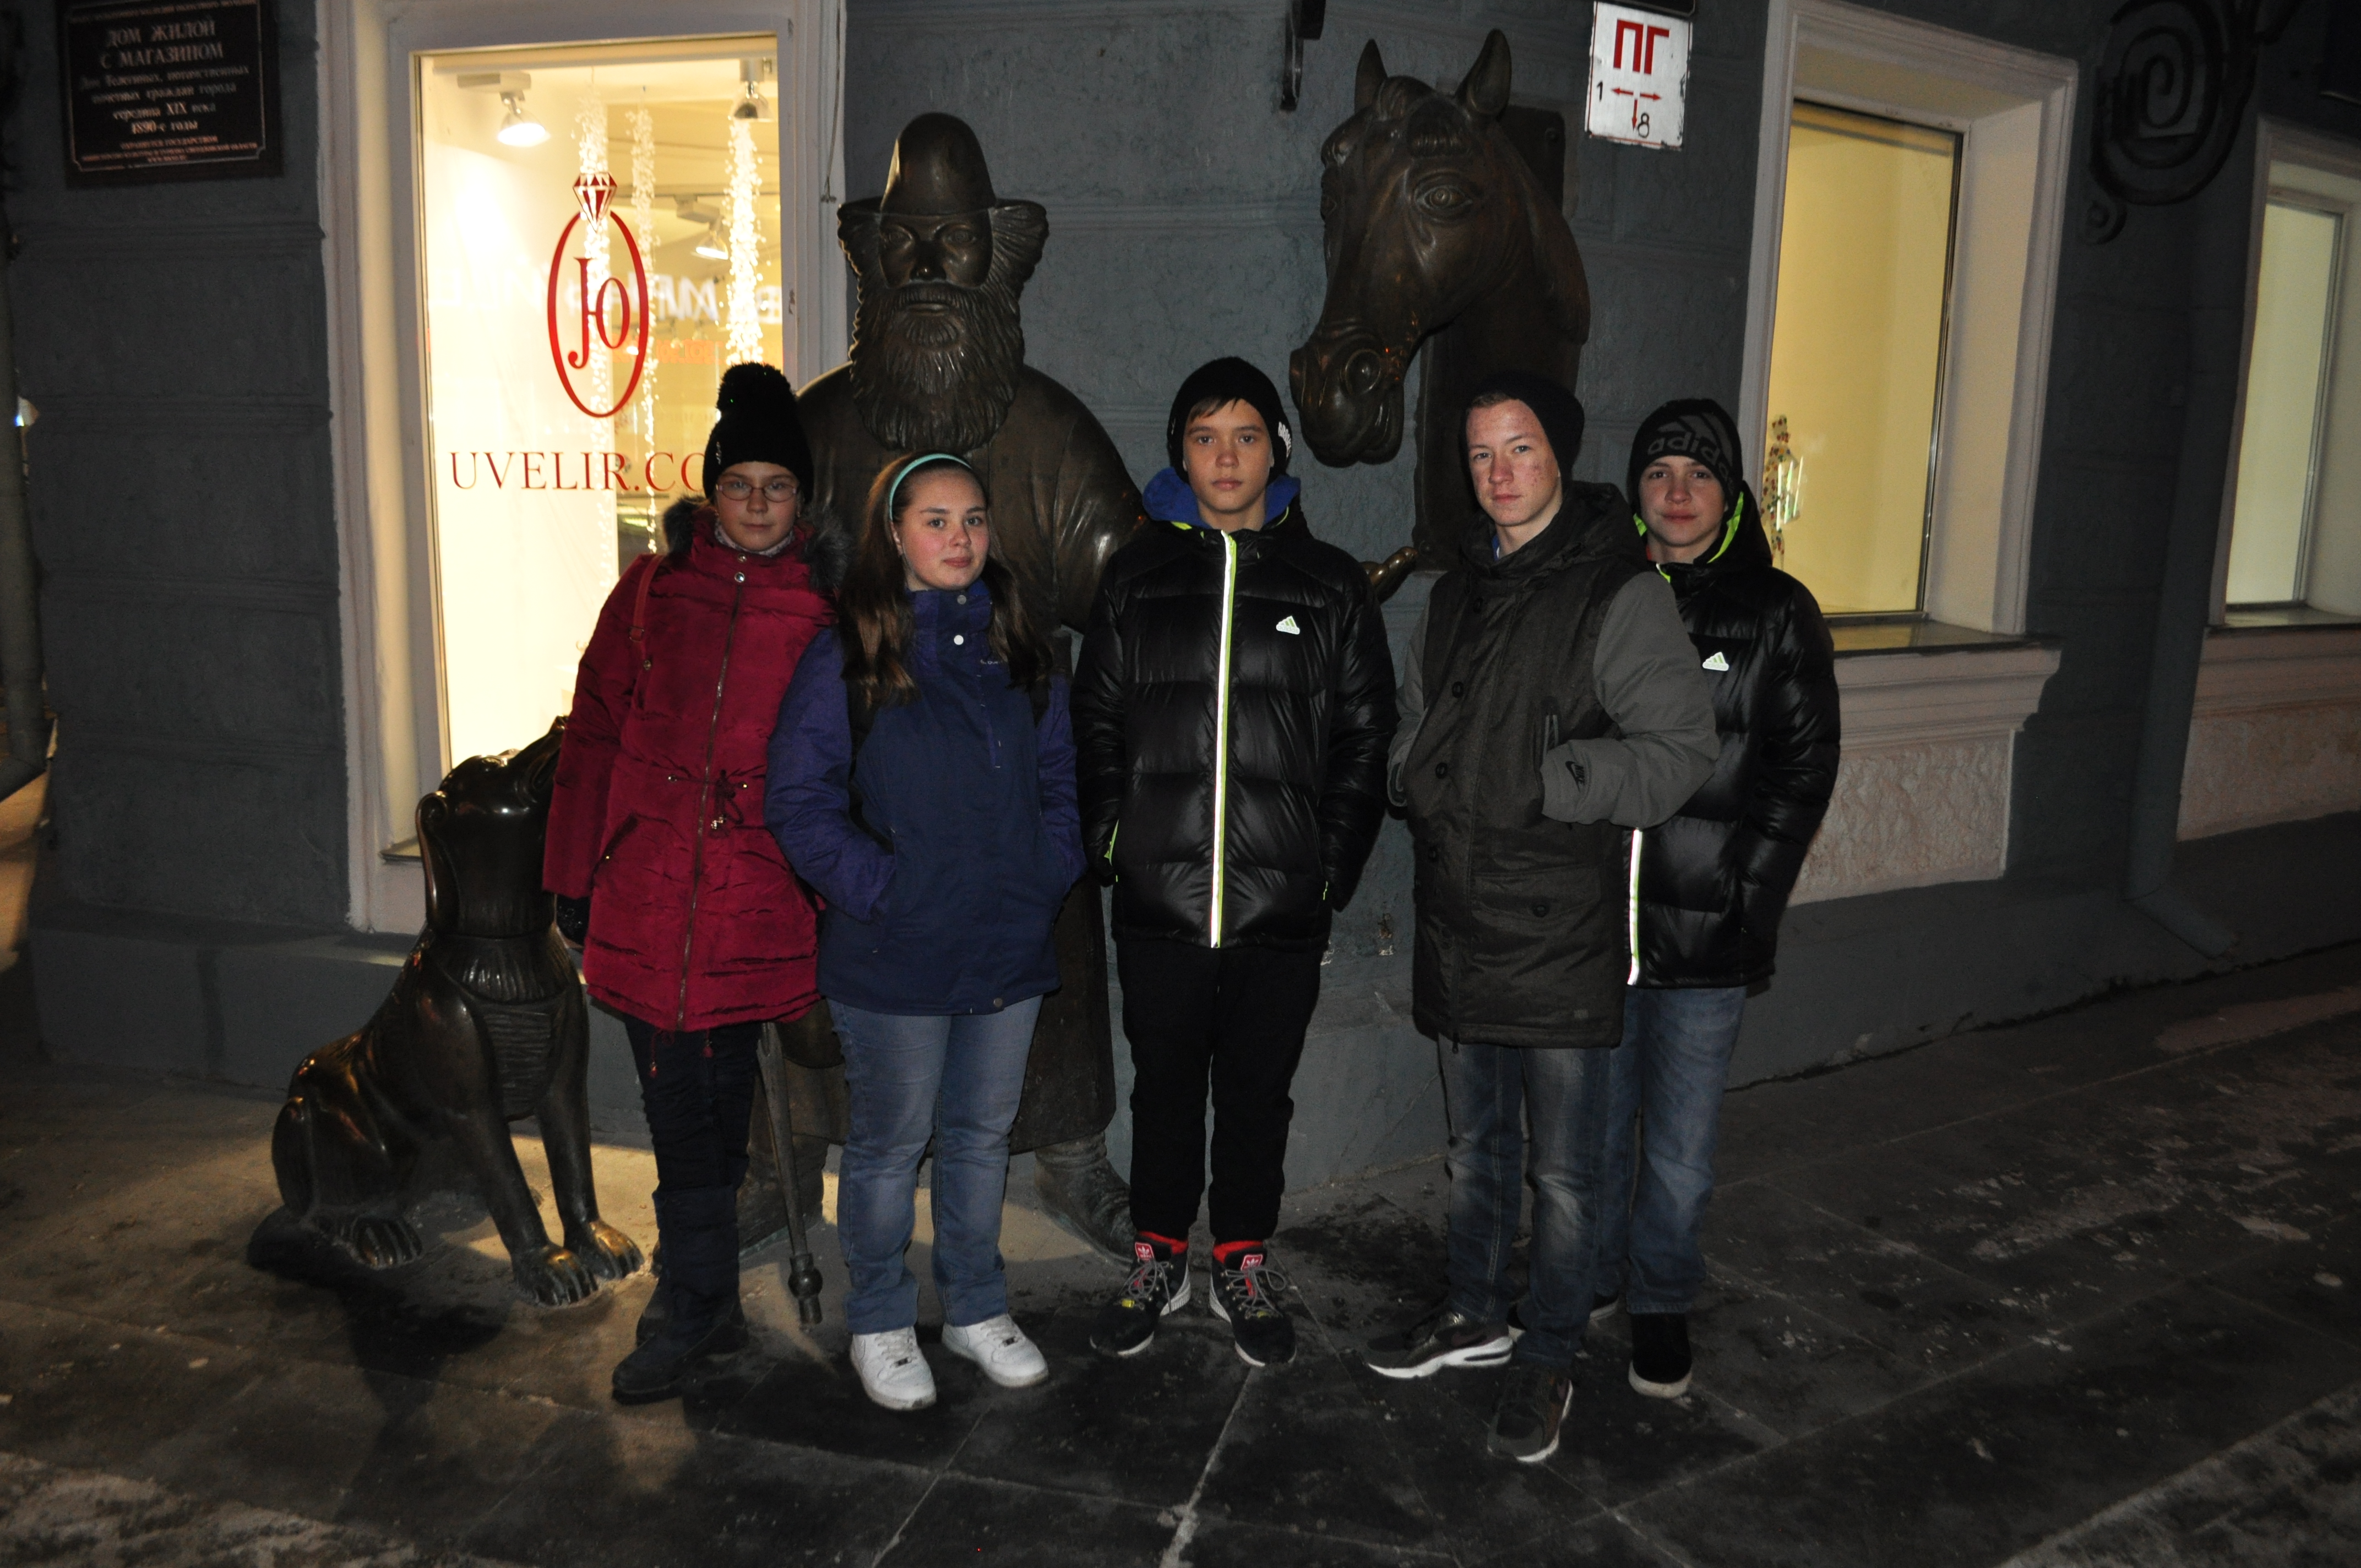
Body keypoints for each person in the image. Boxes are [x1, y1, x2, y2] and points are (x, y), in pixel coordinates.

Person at [792, 112, 1145, 1258]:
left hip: (1011, 767)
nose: (931, 266)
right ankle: (799, 1170)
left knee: (1055, 945)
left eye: (954, 239)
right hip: (875, 779)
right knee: (860, 1055)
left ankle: (1074, 1149)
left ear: (999, 251)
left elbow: (1130, 594)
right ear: (870, 253)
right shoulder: (817, 427)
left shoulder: (1053, 429)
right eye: (907, 240)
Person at [1362, 372, 1717, 1463]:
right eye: (1480, 453)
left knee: (1565, 1174)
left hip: (1561, 927)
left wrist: (1558, 779)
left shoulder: (1619, 593)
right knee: (1475, 1150)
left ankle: (1550, 1347)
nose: (1499, 472)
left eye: (1518, 448)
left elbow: (1680, 752)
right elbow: (1416, 716)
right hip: (1459, 918)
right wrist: (1406, 771)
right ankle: (1473, 1311)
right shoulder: (1454, 593)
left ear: (1558, 454)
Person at [1072, 357, 1396, 1369]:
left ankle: (1243, 1259)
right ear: (1180, 453)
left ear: (1276, 453)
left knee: (1259, 1095)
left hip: (1279, 903)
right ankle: (1159, 1255)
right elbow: (1094, 721)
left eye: (1246, 436)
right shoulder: (1135, 577)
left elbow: (1366, 736)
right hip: (1162, 898)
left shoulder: (1329, 585)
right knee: (1165, 1089)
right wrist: (1115, 841)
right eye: (1205, 437)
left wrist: (1327, 867)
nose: (1225, 457)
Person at [544, 363, 848, 1403]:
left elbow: (846, 764)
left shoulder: (826, 609)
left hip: (758, 892)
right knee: (679, 1101)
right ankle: (696, 1302)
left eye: (777, 487)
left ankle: (696, 1298)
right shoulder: (650, 592)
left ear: (802, 499)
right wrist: (571, 876)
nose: (757, 505)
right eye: (739, 485)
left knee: (719, 1104)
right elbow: (593, 733)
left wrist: (830, 891)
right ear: (710, 491)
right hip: (647, 887)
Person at [766, 453, 1083, 1412]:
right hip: (894, 952)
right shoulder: (850, 655)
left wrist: (1045, 872)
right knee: (889, 1144)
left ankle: (977, 1306)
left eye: (974, 519)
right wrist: (883, 890)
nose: (960, 538)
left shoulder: (1020, 651)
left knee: (982, 1137)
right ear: (895, 533)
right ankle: (879, 1319)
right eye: (937, 520)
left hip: (1007, 943)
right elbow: (799, 800)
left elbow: (1061, 783)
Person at [1595, 399, 1840, 1400]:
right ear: (1637, 492)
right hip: (1599, 931)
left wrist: (1752, 892)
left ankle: (1660, 1298)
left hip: (1709, 929)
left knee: (1682, 1149)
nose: (1679, 492)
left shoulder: (1777, 611)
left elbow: (1803, 768)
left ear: (1731, 493)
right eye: (1660, 473)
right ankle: (1591, 1273)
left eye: (1700, 474)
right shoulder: (1603, 597)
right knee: (1592, 1131)